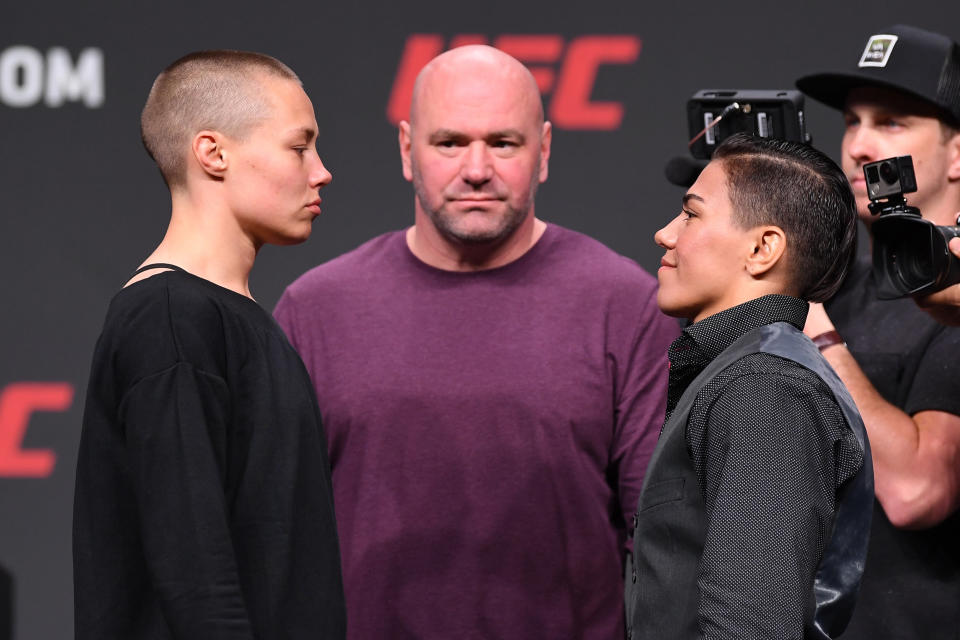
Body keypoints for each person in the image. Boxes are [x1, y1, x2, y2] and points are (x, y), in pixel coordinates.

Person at [274, 45, 679, 639]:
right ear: (408, 149)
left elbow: (663, 541)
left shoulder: (628, 306)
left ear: (543, 151)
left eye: (504, 143)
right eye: (450, 143)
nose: (477, 168)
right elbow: (275, 538)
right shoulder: (314, 310)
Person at [73, 51, 345, 639]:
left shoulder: (226, 317)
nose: (321, 171)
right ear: (213, 153)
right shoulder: (170, 318)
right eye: (299, 147)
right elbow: (194, 571)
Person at [626, 134, 871, 640]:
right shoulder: (750, 375)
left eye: (691, 214)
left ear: (762, 248)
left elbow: (752, 628)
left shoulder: (763, 390)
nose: (664, 234)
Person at [796, 24, 960, 639]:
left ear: (958, 153)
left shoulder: (953, 307)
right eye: (852, 121)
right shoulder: (835, 292)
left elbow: (918, 491)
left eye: (891, 122)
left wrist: (812, 332)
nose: (860, 146)